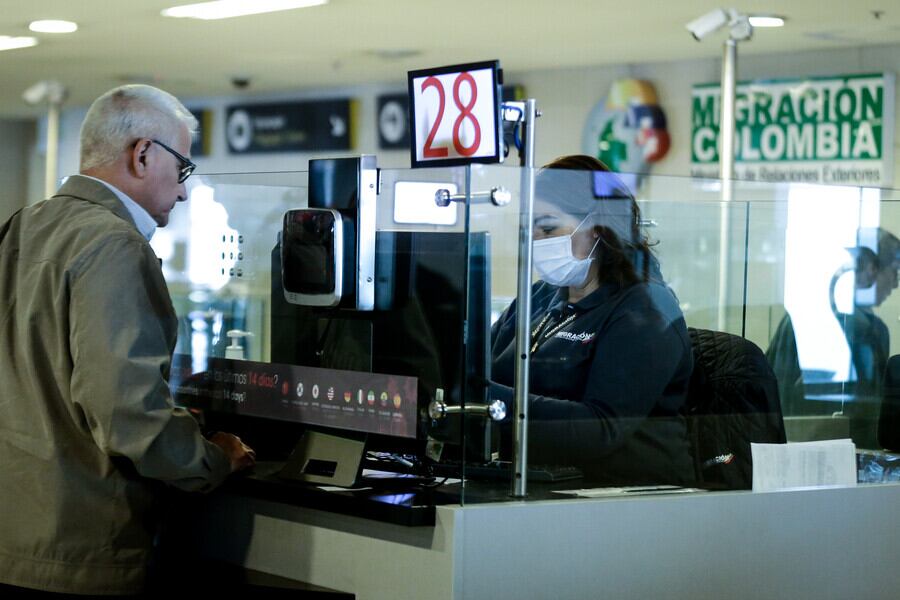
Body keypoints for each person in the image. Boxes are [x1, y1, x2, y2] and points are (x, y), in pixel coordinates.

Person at [0, 85, 256, 595]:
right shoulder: (115, 244)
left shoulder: (22, 227)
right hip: (80, 554)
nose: (183, 192)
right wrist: (211, 459)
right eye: (182, 168)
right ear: (142, 155)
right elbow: (126, 414)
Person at [490, 155, 695, 485]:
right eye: (529, 229)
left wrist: (488, 401)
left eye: (548, 228)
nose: (536, 241)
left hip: (620, 492)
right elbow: (480, 371)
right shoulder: (539, 296)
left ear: (600, 227)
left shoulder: (646, 309)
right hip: (532, 479)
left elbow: (600, 429)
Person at [767, 228, 900, 448]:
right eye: (895, 272)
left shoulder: (800, 317)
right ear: (871, 269)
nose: (895, 285)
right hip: (833, 447)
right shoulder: (867, 329)